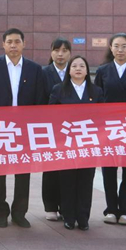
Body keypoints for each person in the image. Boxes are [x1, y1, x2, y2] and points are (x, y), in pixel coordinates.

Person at [0, 28, 45, 228]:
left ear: (24, 44)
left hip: (24, 129)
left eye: (17, 41)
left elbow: (40, 100)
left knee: (23, 173)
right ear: (3, 44)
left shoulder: (35, 69)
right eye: (9, 42)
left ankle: (19, 212)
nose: (13, 45)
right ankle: (0, 212)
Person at [49, 56, 104, 230]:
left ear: (87, 71)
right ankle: (68, 216)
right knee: (67, 181)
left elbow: (103, 116)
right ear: (69, 70)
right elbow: (50, 115)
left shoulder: (96, 91)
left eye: (82, 66)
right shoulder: (59, 89)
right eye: (74, 66)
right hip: (66, 143)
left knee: (86, 181)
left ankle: (83, 218)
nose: (78, 69)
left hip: (88, 143)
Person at [94, 33, 126, 226]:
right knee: (109, 169)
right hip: (109, 127)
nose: (120, 50)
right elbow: (97, 98)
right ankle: (111, 209)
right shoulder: (103, 71)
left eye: (124, 46)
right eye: (116, 46)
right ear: (111, 48)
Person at [41, 37, 72, 222]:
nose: (60, 54)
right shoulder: (43, 73)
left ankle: (66, 206)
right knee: (50, 168)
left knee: (68, 169)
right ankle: (51, 206)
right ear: (51, 52)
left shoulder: (75, 71)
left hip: (71, 130)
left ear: (70, 53)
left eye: (64, 51)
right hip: (49, 128)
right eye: (56, 50)